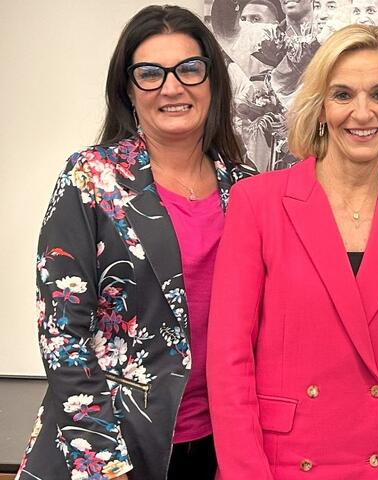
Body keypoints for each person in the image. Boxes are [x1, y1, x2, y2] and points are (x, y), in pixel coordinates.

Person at [17, 5, 256, 480]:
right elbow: (64, 334)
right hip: (111, 447)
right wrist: (106, 464)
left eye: (189, 68)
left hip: (219, 444)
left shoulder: (245, 188)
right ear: (128, 90)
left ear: (213, 81)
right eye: (150, 73)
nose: (172, 87)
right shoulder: (91, 178)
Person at [207, 25, 378, 479]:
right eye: (342, 95)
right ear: (320, 108)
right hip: (280, 466)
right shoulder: (257, 202)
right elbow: (229, 361)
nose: (362, 112)